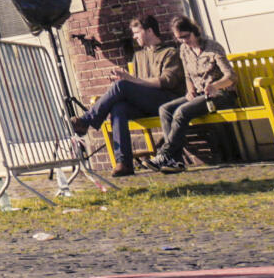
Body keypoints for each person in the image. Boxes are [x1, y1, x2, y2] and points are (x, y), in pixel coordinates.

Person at [70, 14, 185, 176]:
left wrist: (129, 81)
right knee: (119, 107)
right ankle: (124, 163)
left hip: (167, 102)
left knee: (122, 86)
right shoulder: (139, 56)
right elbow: (136, 86)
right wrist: (126, 80)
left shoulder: (170, 53)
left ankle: (87, 120)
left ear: (150, 31)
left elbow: (166, 82)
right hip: (147, 104)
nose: (134, 36)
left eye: (137, 32)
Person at [149, 16, 238, 172]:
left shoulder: (212, 48)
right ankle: (175, 161)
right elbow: (188, 75)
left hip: (221, 95)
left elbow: (231, 76)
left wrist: (215, 86)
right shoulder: (184, 50)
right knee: (165, 109)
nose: (184, 41)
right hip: (198, 95)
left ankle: (165, 154)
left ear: (194, 32)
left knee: (182, 111)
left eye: (186, 36)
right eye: (179, 38)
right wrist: (189, 89)